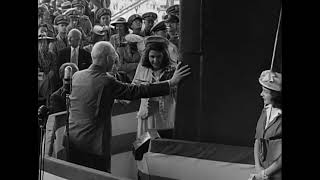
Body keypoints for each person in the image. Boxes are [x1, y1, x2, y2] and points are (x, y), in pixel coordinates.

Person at [65, 41, 190, 172]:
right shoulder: (106, 81)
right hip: (95, 144)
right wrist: (170, 83)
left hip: (73, 140)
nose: (115, 61)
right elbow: (136, 91)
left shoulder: (77, 75)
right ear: (108, 58)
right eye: (114, 57)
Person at [132, 36, 178, 138]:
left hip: (165, 116)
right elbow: (134, 87)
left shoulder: (173, 70)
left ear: (165, 56)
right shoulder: (143, 68)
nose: (155, 60)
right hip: (146, 115)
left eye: (159, 57)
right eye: (152, 57)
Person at [250, 70, 282, 180]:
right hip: (262, 172)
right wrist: (258, 169)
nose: (261, 94)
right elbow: (258, 140)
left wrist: (265, 174)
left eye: (265, 91)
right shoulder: (265, 111)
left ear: (275, 94)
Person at [38, 30, 59, 107]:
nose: (43, 44)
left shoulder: (52, 55)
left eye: (46, 42)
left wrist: (50, 73)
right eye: (41, 42)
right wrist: (43, 77)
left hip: (50, 84)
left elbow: (54, 67)